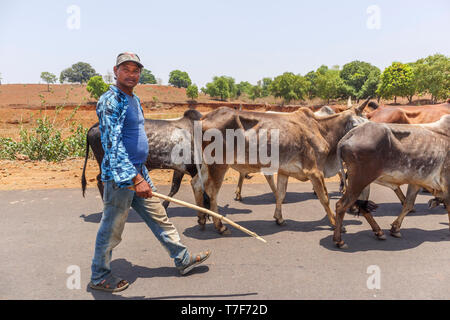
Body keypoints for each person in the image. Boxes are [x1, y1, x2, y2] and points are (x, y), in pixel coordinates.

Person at [89, 52, 211, 293]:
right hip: (121, 179)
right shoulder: (110, 101)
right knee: (112, 226)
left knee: (159, 217)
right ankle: (99, 275)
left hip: (138, 171)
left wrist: (141, 173)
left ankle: (182, 258)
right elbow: (112, 145)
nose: (131, 74)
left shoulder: (133, 99)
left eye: (136, 70)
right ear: (115, 71)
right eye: (126, 69)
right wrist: (134, 179)